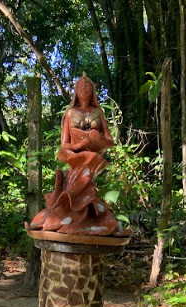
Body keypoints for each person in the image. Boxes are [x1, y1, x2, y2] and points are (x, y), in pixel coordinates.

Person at [29, 73, 121, 237]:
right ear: (75, 92)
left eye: (87, 87)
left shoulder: (98, 112)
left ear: (93, 91)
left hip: (93, 156)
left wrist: (96, 138)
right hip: (75, 155)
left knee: (90, 167)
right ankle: (65, 215)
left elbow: (110, 141)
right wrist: (81, 144)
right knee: (74, 185)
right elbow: (64, 145)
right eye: (80, 87)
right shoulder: (70, 113)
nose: (84, 89)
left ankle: (84, 219)